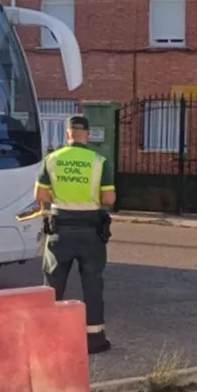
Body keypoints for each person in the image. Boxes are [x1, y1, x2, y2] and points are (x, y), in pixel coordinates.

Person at [35, 115, 117, 354]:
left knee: (52, 282)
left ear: (67, 134)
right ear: (87, 135)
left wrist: (61, 198)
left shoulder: (51, 159)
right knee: (92, 283)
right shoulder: (99, 161)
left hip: (60, 228)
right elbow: (109, 199)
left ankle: (47, 336)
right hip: (91, 230)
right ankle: (94, 338)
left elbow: (41, 195)